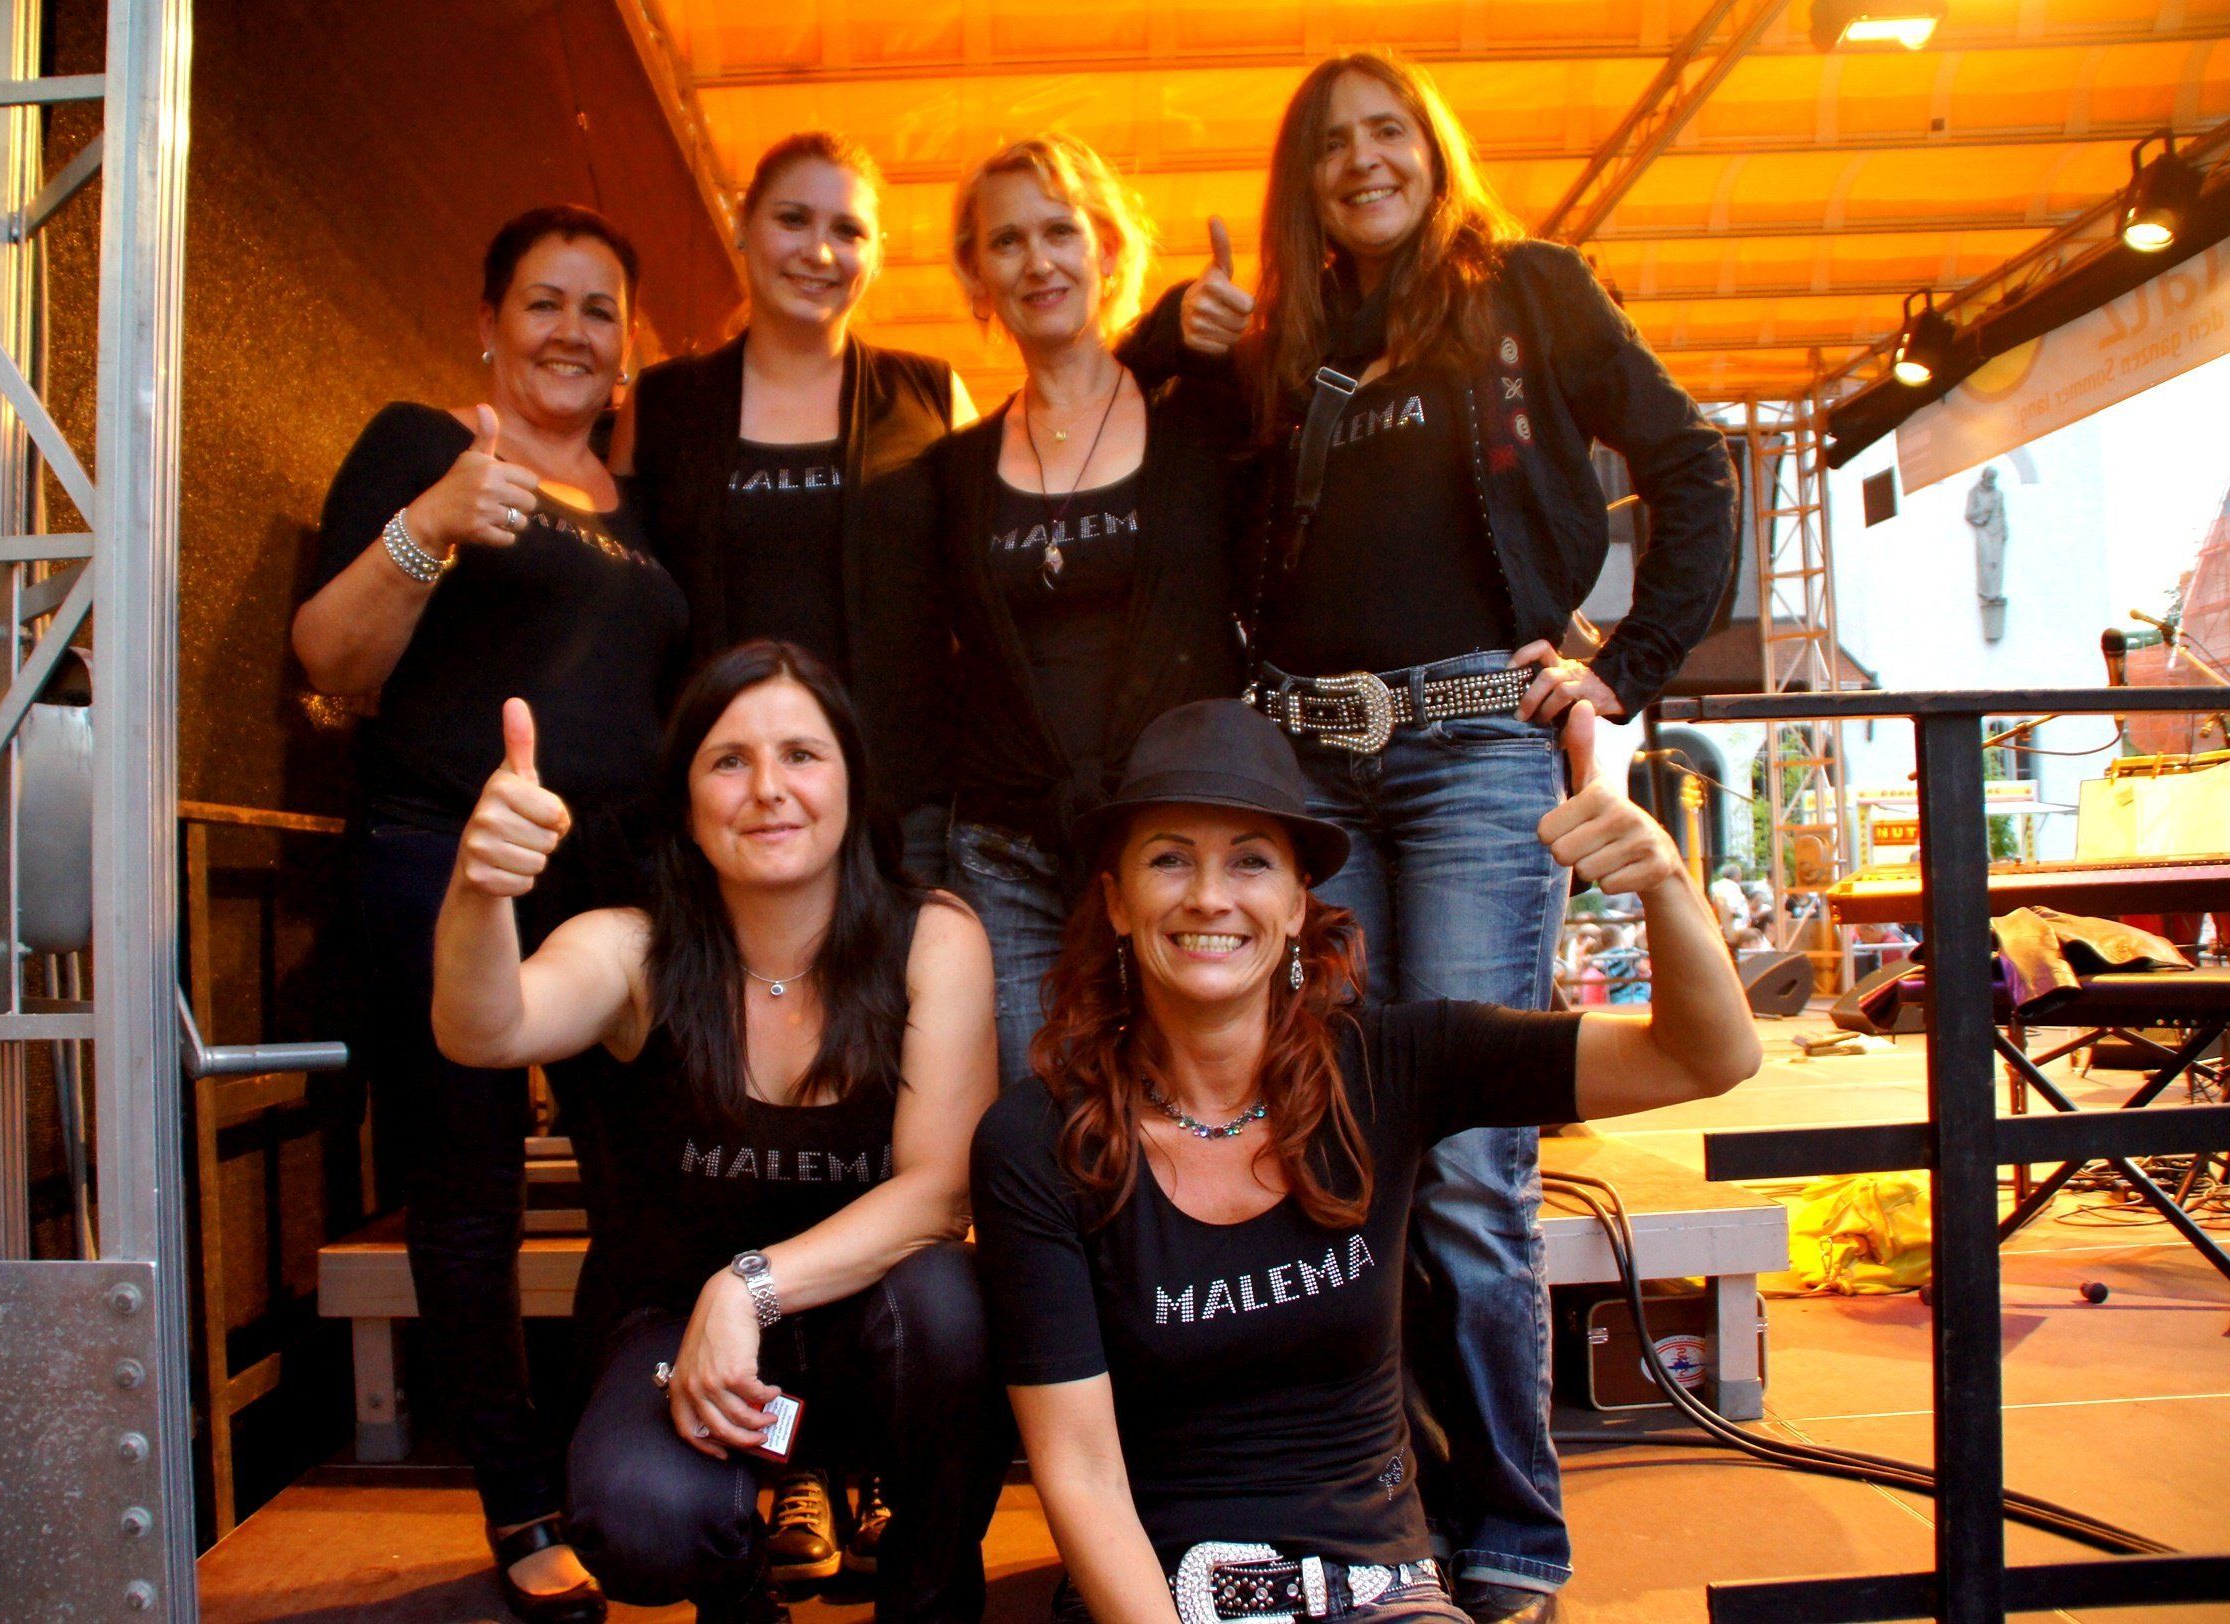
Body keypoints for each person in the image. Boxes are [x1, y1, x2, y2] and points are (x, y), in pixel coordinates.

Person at [1144, 54, 1739, 1618]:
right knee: (1329, 1138)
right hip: (1308, 765)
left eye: (1387, 132)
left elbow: (1691, 465)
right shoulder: (1277, 350)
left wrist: (1627, 666)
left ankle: (1513, 1533)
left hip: (1477, 746)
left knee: (1471, 1162)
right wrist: (1168, 333)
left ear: (1431, 148)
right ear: (1302, 179)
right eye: (1331, 143)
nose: (1363, 160)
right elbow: (1138, 455)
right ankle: (1377, 1504)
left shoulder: (1528, 295)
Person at [971, 699, 1761, 1624]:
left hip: (1383, 1597)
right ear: (1116, 901)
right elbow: (1082, 1475)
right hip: (1159, 1601)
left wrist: (1664, 881)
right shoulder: (1038, 1139)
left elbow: (1706, 1058)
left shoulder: (1394, 1063)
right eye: (1170, 859)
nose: (1210, 897)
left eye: (1251, 862)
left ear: (1297, 902)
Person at [433, 641, 1008, 1624]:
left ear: (851, 781)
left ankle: (928, 1598)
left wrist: (747, 1286)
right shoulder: (634, 948)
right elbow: (482, 1030)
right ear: (687, 803)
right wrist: (480, 888)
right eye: (729, 761)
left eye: (801, 755)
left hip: (871, 1344)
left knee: (953, 1309)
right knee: (638, 1515)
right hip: (680, 1347)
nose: (768, 789)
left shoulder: (934, 938)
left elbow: (940, 1191)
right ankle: (738, 1595)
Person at [292, 204, 682, 1623]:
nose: (572, 330)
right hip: (446, 858)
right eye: (544, 301)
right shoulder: (424, 445)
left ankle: (596, 1459)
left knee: (650, 1184)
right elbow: (331, 659)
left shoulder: (643, 509)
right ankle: (520, 1510)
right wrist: (433, 525)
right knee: (472, 1199)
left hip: (614, 885)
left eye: (599, 308)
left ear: (628, 346)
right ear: (489, 322)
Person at [937, 132, 1246, 1085]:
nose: (1037, 261)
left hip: (1179, 848)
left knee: (1188, 1100)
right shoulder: (952, 473)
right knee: (1040, 1118)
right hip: (1008, 853)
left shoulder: (1206, 420)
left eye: (1060, 231)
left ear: (1107, 249)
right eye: (1006, 241)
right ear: (977, 277)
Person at [621, 131, 977, 883]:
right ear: (742, 227)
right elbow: (621, 596)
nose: (819, 252)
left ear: (876, 255)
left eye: (848, 230)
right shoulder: (662, 404)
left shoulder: (932, 396)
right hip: (715, 821)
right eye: (792, 219)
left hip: (899, 819)